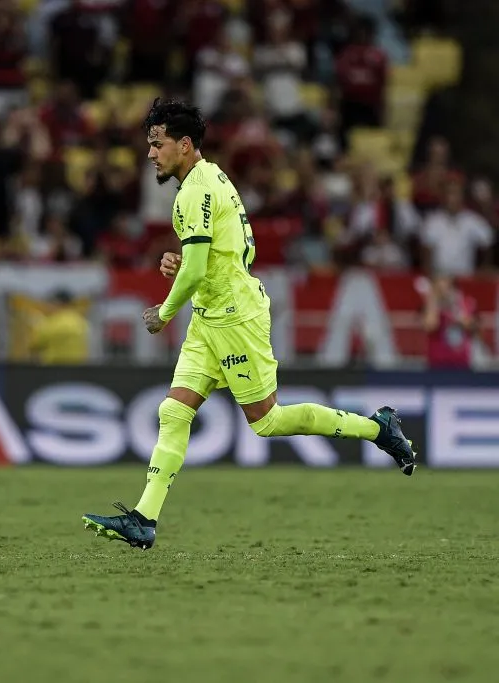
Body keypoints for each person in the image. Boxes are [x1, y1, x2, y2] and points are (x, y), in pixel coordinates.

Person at [82, 100, 417, 551]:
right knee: (173, 411)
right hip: (209, 315)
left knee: (268, 422)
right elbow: (228, 254)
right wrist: (184, 265)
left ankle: (379, 428)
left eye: (157, 145)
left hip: (234, 317)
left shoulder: (195, 192)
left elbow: (202, 270)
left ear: (184, 145)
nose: (150, 155)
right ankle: (143, 520)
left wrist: (163, 312)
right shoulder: (212, 177)